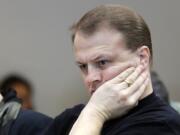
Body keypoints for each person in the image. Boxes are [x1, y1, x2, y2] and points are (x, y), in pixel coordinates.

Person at [45, 4, 180, 135]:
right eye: (83, 66)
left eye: (102, 62)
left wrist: (96, 112)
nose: (90, 78)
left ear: (142, 58)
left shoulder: (162, 125)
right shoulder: (71, 118)